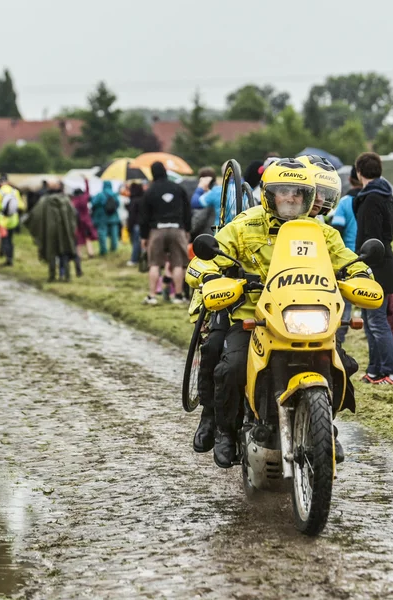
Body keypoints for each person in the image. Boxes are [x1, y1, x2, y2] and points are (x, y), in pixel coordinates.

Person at [186, 158, 372, 468]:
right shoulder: (244, 225)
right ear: (269, 195)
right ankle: (224, 431)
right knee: (231, 368)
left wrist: (360, 274)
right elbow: (204, 261)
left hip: (305, 314)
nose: (290, 198)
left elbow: (349, 261)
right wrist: (208, 275)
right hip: (252, 316)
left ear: (307, 197)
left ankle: (325, 426)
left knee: (343, 364)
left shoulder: (320, 232)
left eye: (297, 192)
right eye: (283, 191)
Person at [353, 152, 393, 385]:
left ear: (359, 172)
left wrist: (362, 264)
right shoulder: (384, 194)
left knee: (377, 320)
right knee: (368, 317)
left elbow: (372, 238)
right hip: (379, 262)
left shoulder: (371, 198)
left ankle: (390, 371)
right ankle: (374, 370)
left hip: (375, 264)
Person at [140, 161, 192, 305]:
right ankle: (178, 295)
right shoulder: (178, 189)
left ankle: (152, 296)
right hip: (177, 228)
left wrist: (144, 236)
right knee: (178, 263)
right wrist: (187, 229)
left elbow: (144, 216)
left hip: (157, 229)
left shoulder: (150, 191)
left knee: (154, 263)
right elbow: (187, 211)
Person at [331, 166, 361, 343]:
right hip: (367, 257)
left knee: (344, 300)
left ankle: (339, 336)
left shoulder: (345, 202)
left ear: (349, 180)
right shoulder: (370, 200)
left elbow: (337, 230)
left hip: (347, 258)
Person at [26, 180, 79, 281]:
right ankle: (67, 276)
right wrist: (71, 229)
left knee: (51, 253)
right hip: (65, 232)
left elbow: (35, 216)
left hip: (49, 232)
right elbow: (73, 216)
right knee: (64, 252)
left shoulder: (44, 201)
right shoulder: (66, 200)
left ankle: (52, 276)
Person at [0, 174, 25, 267]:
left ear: (0, 183)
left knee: (5, 240)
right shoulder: (15, 191)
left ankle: (7, 259)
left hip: (3, 221)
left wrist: (1, 209)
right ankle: (11, 258)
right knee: (10, 239)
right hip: (13, 220)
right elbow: (21, 205)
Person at [91, 181, 121, 256]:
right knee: (114, 233)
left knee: (102, 233)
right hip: (113, 216)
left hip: (102, 217)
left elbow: (93, 203)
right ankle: (114, 248)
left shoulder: (100, 194)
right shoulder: (114, 194)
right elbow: (118, 204)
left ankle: (103, 250)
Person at [71, 178, 97, 260]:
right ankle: (90, 252)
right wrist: (86, 181)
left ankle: (79, 254)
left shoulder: (73, 201)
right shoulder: (84, 198)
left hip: (78, 221)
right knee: (87, 237)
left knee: (79, 238)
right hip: (86, 220)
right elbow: (87, 191)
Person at [126, 182, 145, 267]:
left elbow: (132, 216)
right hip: (143, 224)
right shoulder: (144, 199)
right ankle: (143, 258)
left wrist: (129, 227)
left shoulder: (134, 200)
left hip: (136, 224)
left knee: (136, 243)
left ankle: (134, 259)